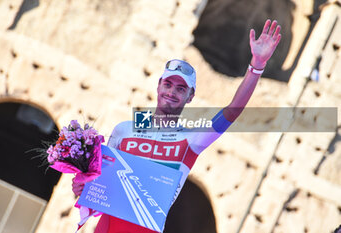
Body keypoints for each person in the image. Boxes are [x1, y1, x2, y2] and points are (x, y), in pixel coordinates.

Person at [73, 19, 281, 233]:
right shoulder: (124, 130)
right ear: (158, 85)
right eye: (168, 84)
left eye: (181, 89)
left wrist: (257, 66)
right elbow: (103, 189)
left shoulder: (191, 139)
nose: (172, 92)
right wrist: (82, 187)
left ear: (190, 96)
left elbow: (231, 111)